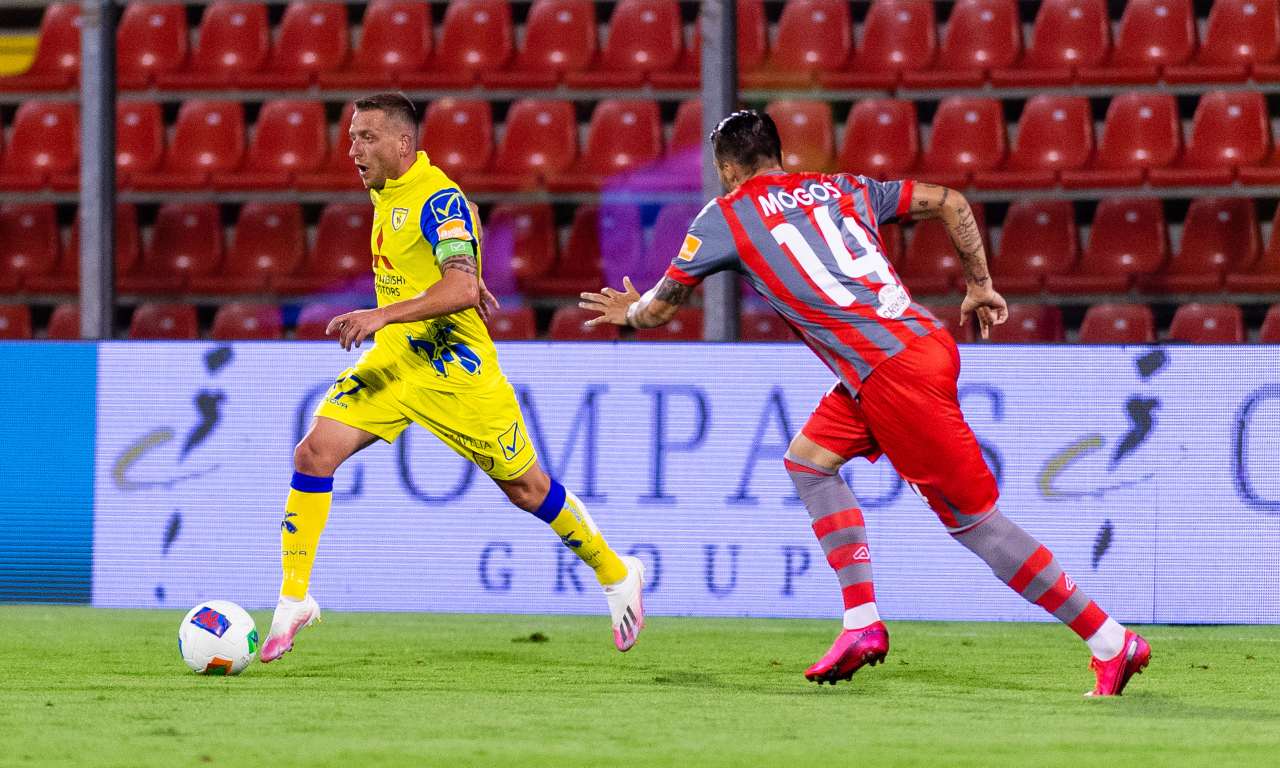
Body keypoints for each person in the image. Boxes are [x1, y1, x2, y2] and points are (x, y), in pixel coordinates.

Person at [580, 110, 1149, 696]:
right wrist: (978, 284)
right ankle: (861, 622)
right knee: (809, 460)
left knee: (978, 526)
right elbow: (952, 201)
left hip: (892, 373)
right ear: (779, 154)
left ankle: (1110, 640)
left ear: (726, 168)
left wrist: (630, 312)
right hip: (909, 350)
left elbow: (661, 309)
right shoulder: (845, 187)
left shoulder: (724, 215)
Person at [261, 93, 646, 663]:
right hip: (397, 360)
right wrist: (451, 280)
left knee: (526, 489)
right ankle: (294, 599)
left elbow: (461, 284)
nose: (353, 149)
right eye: (351, 137)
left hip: (454, 369)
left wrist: (384, 312)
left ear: (403, 143)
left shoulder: (436, 197)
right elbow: (452, 262)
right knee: (314, 453)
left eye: (366, 137)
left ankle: (617, 574)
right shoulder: (390, 191)